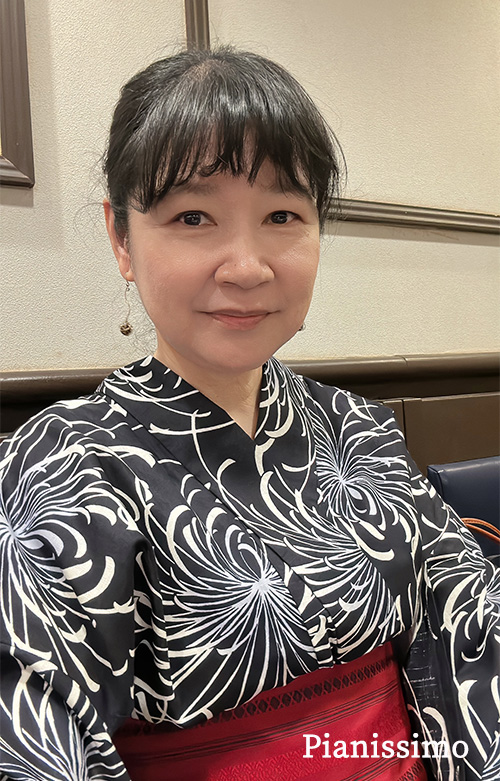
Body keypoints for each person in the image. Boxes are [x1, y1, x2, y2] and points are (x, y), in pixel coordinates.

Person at [0, 47, 498, 781]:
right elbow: (32, 735)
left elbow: (471, 627)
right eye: (193, 216)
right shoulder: (63, 461)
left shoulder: (359, 430)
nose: (246, 266)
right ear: (121, 239)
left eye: (282, 215)